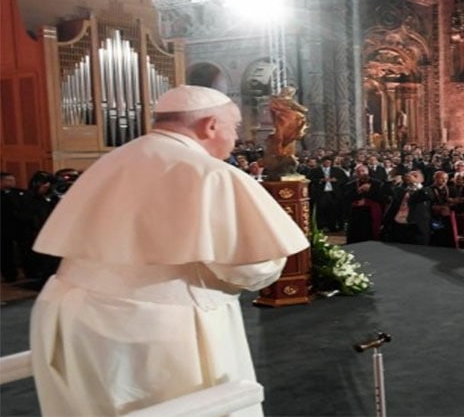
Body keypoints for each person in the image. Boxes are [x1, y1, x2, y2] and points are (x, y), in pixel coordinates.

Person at [29, 85, 309, 417]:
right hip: (154, 328)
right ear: (210, 125)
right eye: (233, 128)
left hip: (67, 314)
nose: (235, 139)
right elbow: (252, 269)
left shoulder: (110, 161)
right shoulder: (210, 173)